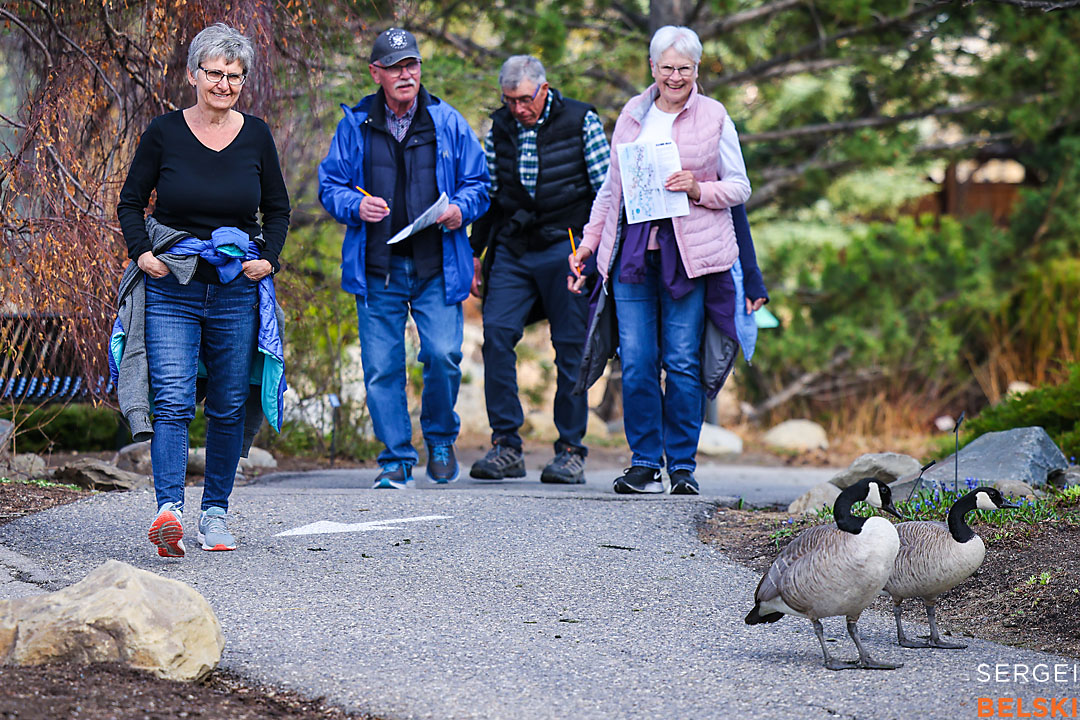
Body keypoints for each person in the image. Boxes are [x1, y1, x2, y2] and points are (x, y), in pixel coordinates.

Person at [116, 23, 291, 556]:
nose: (223, 84)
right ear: (193, 74)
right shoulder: (164, 132)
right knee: (171, 400)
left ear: (243, 81)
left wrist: (267, 260)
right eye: (213, 73)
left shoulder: (257, 135)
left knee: (228, 404)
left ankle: (214, 514)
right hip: (173, 287)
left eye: (233, 76)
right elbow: (131, 201)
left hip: (236, 290)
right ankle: (168, 509)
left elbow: (278, 209)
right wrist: (142, 253)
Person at [569, 25, 767, 496]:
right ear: (652, 67)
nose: (675, 76)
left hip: (690, 257)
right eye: (667, 67)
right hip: (634, 256)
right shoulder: (632, 115)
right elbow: (610, 192)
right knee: (636, 362)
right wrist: (590, 244)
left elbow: (740, 187)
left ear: (696, 70)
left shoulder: (715, 117)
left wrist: (698, 188)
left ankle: (681, 466)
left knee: (680, 362)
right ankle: (643, 464)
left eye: (685, 68)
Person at [318, 28, 489, 489]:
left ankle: (438, 437)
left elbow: (479, 184)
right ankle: (395, 459)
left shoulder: (447, 121)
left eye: (411, 65)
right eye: (394, 67)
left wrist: (460, 210)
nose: (405, 74)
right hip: (378, 269)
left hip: (437, 265)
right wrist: (356, 206)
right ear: (376, 73)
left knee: (443, 354)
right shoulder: (354, 124)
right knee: (381, 369)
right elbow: (329, 186)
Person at [467, 56, 611, 485]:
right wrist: (476, 253)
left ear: (544, 90)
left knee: (570, 347)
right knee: (496, 335)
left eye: (524, 99)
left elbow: (606, 191)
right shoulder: (501, 128)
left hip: (567, 246)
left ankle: (570, 450)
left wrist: (594, 252)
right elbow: (492, 197)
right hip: (513, 247)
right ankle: (506, 446)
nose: (517, 109)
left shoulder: (581, 120)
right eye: (509, 100)